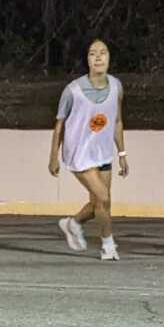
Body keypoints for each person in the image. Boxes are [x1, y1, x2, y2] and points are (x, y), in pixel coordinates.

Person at [48, 39, 128, 260]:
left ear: (109, 57)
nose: (99, 57)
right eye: (93, 53)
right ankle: (109, 246)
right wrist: (53, 156)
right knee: (103, 197)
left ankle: (72, 223)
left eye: (103, 52)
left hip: (102, 152)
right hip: (79, 153)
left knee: (99, 203)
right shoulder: (73, 90)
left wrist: (122, 154)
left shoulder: (116, 87)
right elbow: (59, 125)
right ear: (88, 60)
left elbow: (118, 121)